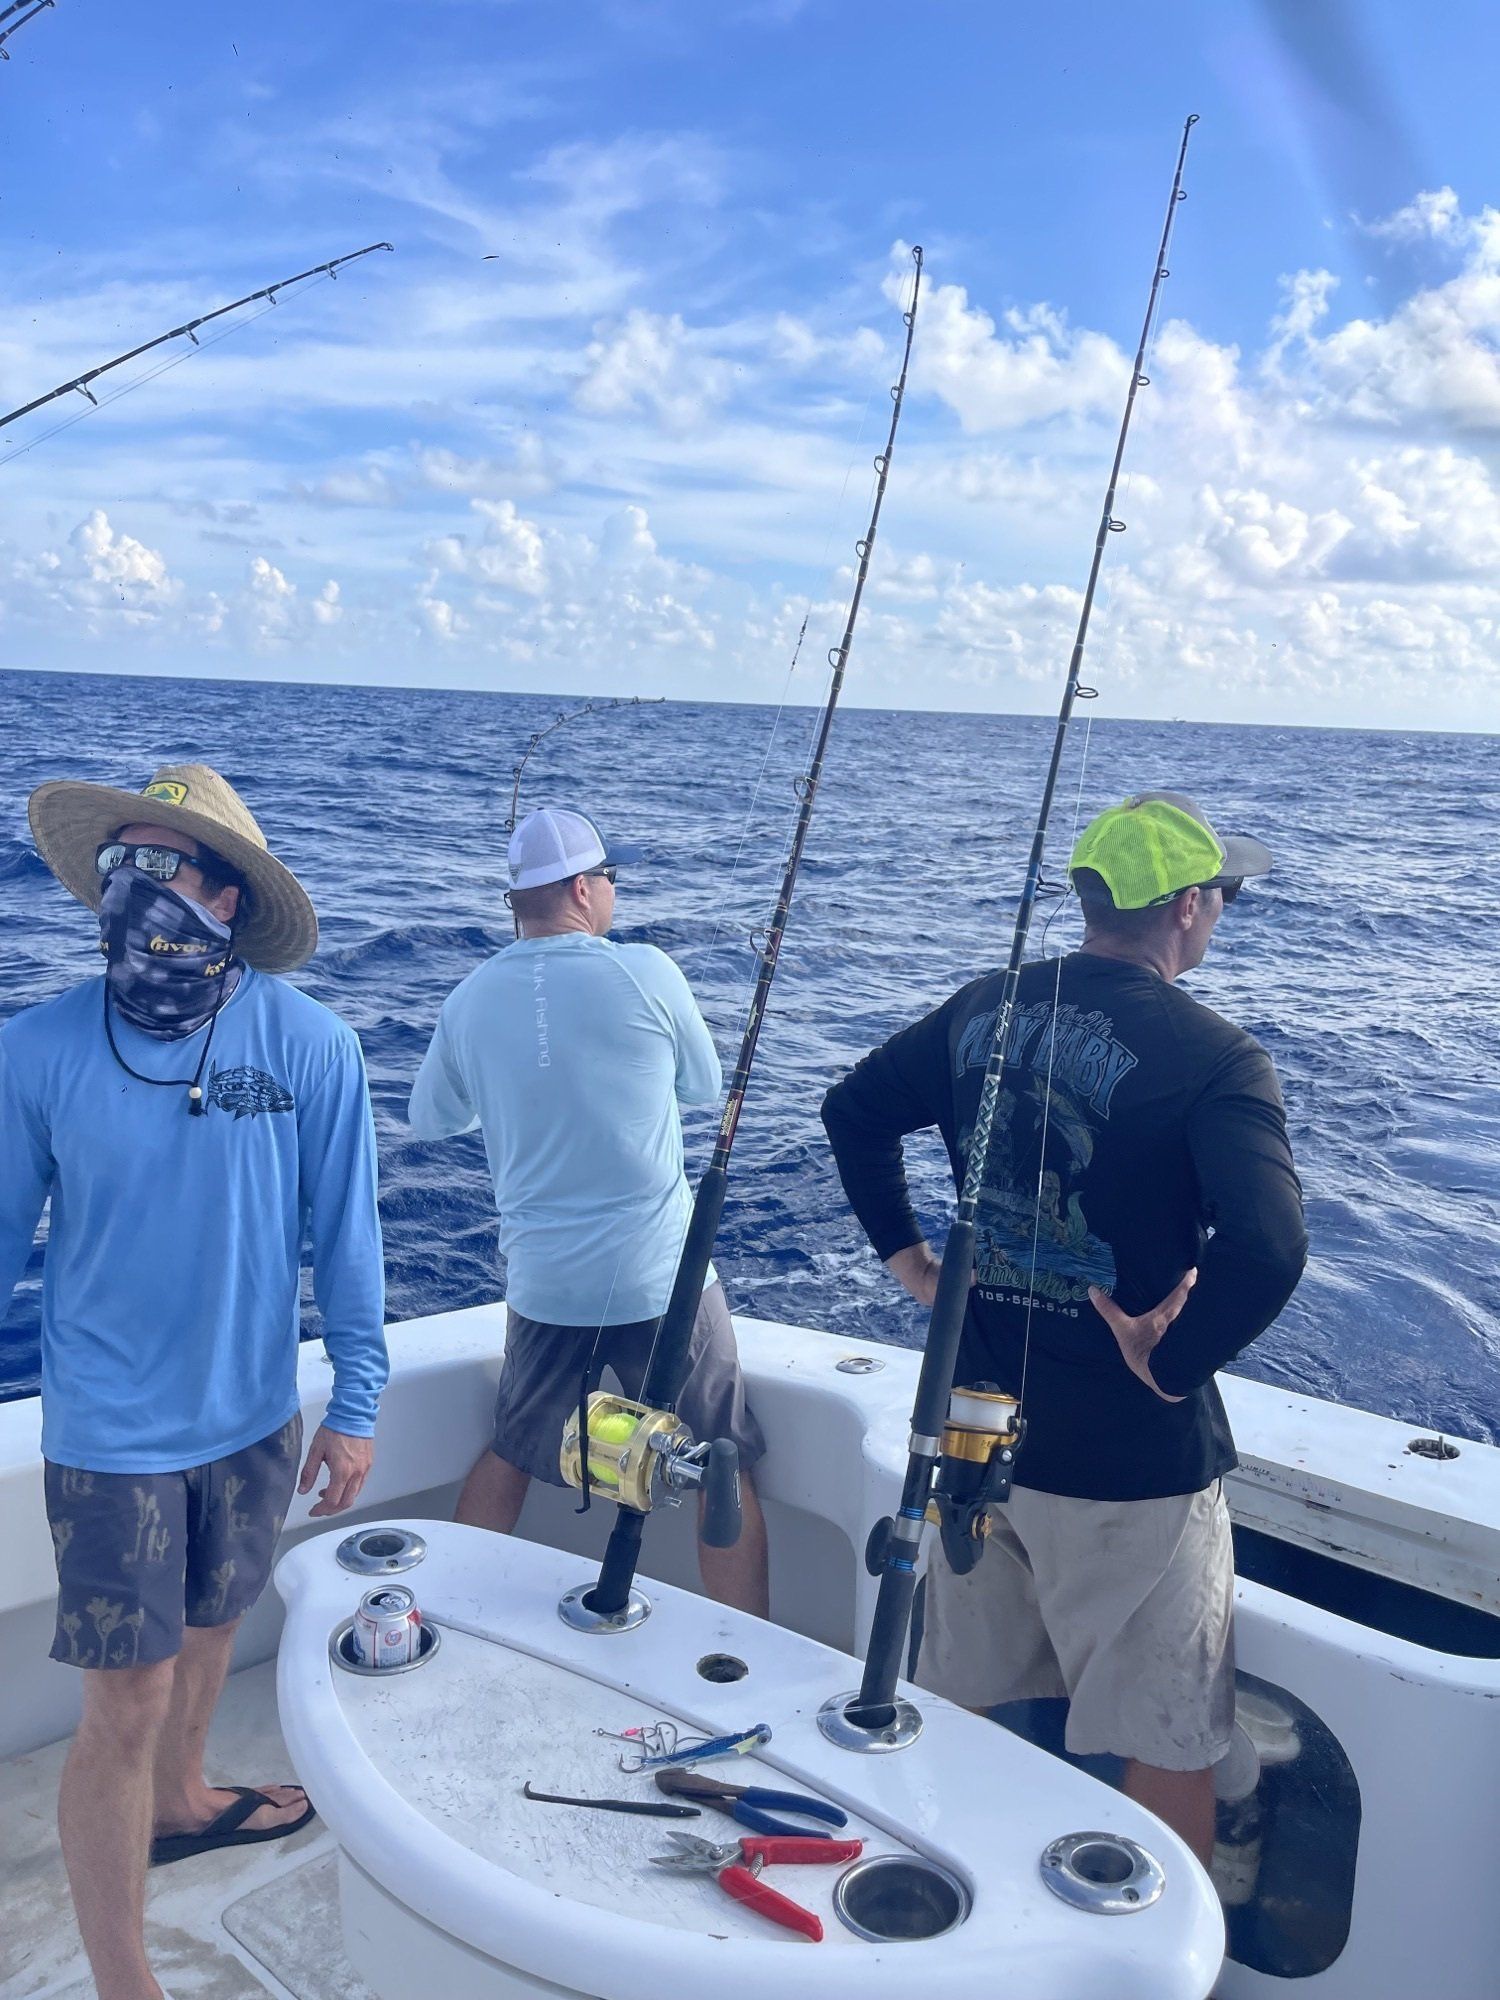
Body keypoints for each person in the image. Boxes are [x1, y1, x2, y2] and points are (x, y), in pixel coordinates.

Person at [821, 791, 1307, 1865]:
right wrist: (1169, 1362)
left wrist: (910, 1260)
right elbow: (1269, 1248)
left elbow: (850, 1109)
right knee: (1169, 1739)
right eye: (1221, 894)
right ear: (1186, 906)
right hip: (1130, 1468)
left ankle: (973, 1937)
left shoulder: (977, 1007)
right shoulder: (1219, 1057)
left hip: (971, 1435)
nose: (1221, 910)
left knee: (961, 1711)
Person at [0, 763, 388, 2000]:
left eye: (167, 865)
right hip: (111, 1431)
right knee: (126, 1693)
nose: (138, 886)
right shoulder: (33, 1047)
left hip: (257, 1417)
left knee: (216, 1630)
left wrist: (361, 1400)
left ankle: (183, 1795)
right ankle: (127, 1980)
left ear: (230, 895)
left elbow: (351, 1236)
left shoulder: (313, 1042)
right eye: (123, 860)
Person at [409, 805, 769, 1616]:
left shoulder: (468, 999)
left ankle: (448, 1613)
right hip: (663, 1283)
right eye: (608, 877)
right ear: (581, 888)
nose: (611, 891)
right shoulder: (647, 972)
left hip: (545, 1289)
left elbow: (433, 1119)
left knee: (511, 1451)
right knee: (722, 1463)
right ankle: (751, 1649)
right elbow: (704, 1091)